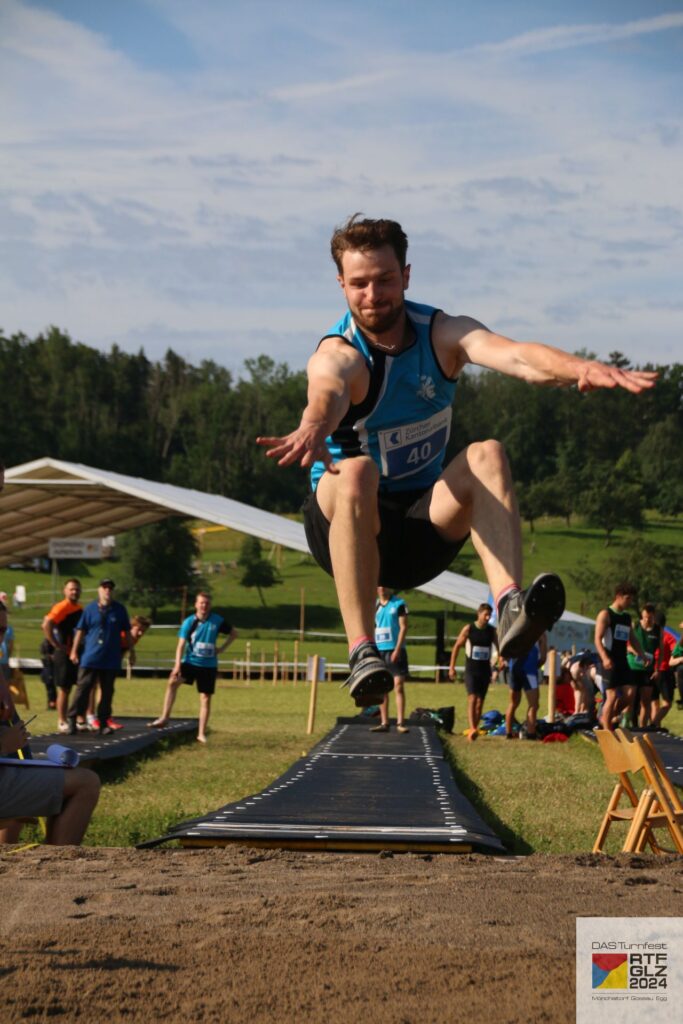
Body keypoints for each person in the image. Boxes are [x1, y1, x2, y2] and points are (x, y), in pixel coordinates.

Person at [256, 215, 656, 708]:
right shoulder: (341, 353)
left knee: (486, 452)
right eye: (358, 284)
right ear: (341, 284)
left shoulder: (442, 334)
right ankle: (362, 651)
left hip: (422, 529)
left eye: (384, 280)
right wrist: (315, 425)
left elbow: (517, 356)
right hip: (349, 525)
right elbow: (327, 391)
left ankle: (510, 605)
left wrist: (580, 368)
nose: (372, 294)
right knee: (358, 469)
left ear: (406, 275)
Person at [148, 592, 237, 743]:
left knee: (205, 697)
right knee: (172, 683)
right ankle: (164, 717)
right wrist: (177, 665)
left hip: (208, 665)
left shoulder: (217, 620)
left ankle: (201, 733)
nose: (204, 605)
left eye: (207, 603)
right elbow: (180, 645)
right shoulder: (189, 622)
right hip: (190, 662)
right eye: (201, 603)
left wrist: (221, 649)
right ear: (196, 604)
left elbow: (234, 633)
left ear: (210, 605)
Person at [67, 579, 131, 737]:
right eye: (104, 588)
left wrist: (131, 651)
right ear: (99, 590)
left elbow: (127, 632)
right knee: (83, 688)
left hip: (111, 658)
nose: (107, 591)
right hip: (91, 656)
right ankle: (72, 719)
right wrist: (74, 651)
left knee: (107, 691)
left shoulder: (119, 610)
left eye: (110, 588)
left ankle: (103, 723)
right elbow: (80, 631)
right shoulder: (89, 609)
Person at [594, 583, 646, 732]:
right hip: (609, 660)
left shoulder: (626, 617)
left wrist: (641, 653)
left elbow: (632, 638)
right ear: (618, 597)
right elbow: (597, 639)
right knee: (611, 697)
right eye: (627, 598)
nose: (630, 602)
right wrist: (604, 658)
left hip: (622, 660)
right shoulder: (606, 614)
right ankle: (607, 730)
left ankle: (606, 717)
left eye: (631, 599)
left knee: (631, 693)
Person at [449, 602, 498, 741]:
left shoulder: (491, 631)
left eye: (489, 615)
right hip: (471, 669)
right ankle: (472, 728)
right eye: (485, 615)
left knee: (479, 702)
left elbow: (499, 647)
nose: (487, 618)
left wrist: (500, 660)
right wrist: (452, 667)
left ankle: (474, 729)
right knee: (472, 698)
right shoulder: (469, 629)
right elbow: (457, 646)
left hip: (485, 671)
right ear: (479, 614)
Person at [42, 579, 83, 733]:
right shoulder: (62, 607)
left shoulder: (79, 608)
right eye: (71, 589)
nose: (74, 592)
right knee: (64, 688)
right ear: (64, 591)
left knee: (80, 686)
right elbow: (46, 624)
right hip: (63, 653)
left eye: (77, 589)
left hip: (76, 652)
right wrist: (55, 644)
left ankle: (78, 718)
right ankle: (62, 720)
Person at [371, 587, 410, 734]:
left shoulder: (399, 604)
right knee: (382, 687)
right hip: (379, 650)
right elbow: (371, 625)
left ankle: (400, 722)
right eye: (379, 586)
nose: (381, 589)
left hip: (395, 649)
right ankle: (384, 722)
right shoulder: (374, 605)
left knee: (398, 685)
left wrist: (397, 649)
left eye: (384, 585)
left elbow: (403, 627)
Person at [505, 632, 547, 740]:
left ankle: (508, 733)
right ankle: (531, 734)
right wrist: (534, 667)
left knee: (513, 703)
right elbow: (543, 658)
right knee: (533, 704)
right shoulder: (540, 632)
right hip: (529, 670)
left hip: (513, 669)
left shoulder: (518, 626)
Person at [626, 603, 660, 728]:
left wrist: (657, 669)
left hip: (648, 669)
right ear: (642, 615)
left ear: (654, 616)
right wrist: (638, 653)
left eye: (650, 618)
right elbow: (627, 645)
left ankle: (642, 727)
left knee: (645, 701)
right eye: (645, 617)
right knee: (630, 698)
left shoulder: (657, 629)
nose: (647, 620)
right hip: (633, 667)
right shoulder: (634, 625)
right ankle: (627, 724)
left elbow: (660, 651)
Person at [0, 607, 14, 683]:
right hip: (4, 659)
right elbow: (11, 645)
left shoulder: (9, 629)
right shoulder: (8, 628)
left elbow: (11, 645)